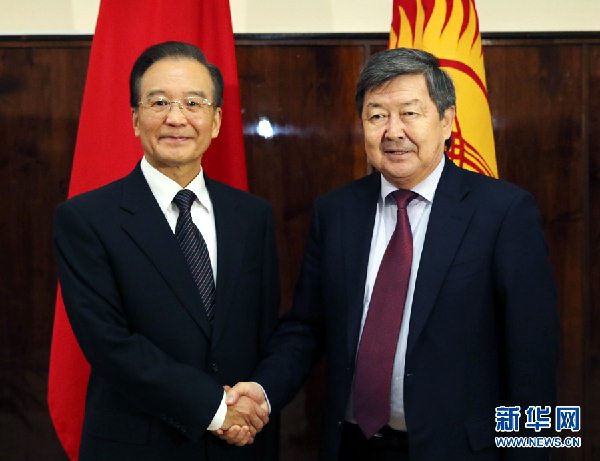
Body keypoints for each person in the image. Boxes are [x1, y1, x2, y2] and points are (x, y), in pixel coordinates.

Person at [228, 48, 559, 460]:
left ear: (447, 121)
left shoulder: (503, 212)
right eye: (377, 116)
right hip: (353, 446)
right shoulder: (336, 211)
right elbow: (307, 326)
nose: (393, 131)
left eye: (410, 113)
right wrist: (262, 391)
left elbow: (534, 359)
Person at [54, 41, 279, 461]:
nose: (177, 118)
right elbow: (109, 344)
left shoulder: (252, 216)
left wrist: (252, 405)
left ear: (216, 121)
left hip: (240, 446)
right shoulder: (86, 219)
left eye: (194, 103)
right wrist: (217, 410)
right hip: (138, 446)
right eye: (159, 103)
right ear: (135, 119)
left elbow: (264, 333)